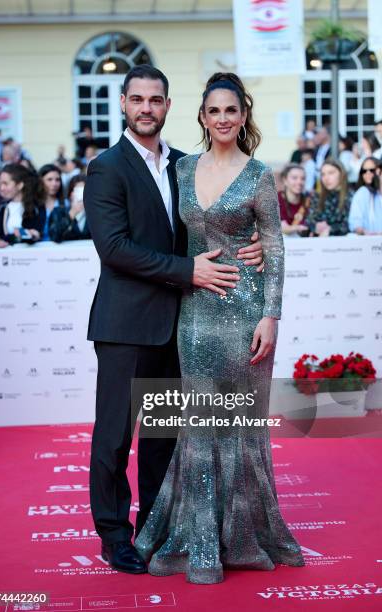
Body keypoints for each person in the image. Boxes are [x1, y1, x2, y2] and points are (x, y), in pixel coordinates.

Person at [84, 64, 264, 576]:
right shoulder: (107, 168)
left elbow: (206, 230)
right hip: (124, 325)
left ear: (167, 106)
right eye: (137, 99)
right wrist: (187, 270)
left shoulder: (186, 166)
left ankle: (153, 528)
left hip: (178, 325)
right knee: (116, 436)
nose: (146, 108)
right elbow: (115, 248)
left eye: (155, 100)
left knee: (163, 437)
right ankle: (114, 535)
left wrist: (248, 246)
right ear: (123, 103)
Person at [135, 72, 304, 583]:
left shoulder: (259, 176)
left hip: (246, 313)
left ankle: (244, 535)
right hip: (194, 315)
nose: (224, 118)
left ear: (244, 115)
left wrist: (271, 315)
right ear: (203, 117)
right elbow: (164, 234)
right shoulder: (181, 170)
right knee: (200, 425)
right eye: (214, 111)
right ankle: (200, 538)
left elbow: (272, 245)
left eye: (232, 110)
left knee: (243, 428)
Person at [0, 163, 45, 245]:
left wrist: (30, 235)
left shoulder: (36, 207)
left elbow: (34, 234)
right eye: (1, 183)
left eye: (6, 183)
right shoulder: (2, 208)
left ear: (20, 185)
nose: (2, 188)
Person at [306, 159, 352, 237]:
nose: (326, 178)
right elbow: (309, 220)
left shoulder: (351, 196)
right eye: (323, 174)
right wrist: (316, 226)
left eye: (331, 173)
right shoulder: (317, 196)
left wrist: (330, 229)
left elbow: (351, 224)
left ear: (341, 173)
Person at [49, 175, 90, 242]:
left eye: (84, 190)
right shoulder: (58, 211)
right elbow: (54, 236)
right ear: (70, 194)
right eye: (77, 190)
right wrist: (71, 214)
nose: (82, 194)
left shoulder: (96, 214)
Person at [349, 156, 382, 235]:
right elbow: (355, 223)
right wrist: (365, 232)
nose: (368, 173)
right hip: (371, 243)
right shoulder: (362, 193)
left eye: (372, 170)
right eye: (364, 171)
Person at [277, 164, 310, 236]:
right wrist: (297, 228)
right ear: (285, 180)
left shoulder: (308, 200)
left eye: (303, 178)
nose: (299, 182)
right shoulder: (274, 200)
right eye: (294, 178)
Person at [38, 163, 67, 240]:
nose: (54, 184)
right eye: (49, 179)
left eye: (57, 180)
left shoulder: (66, 203)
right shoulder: (33, 204)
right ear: (41, 181)